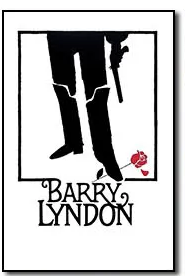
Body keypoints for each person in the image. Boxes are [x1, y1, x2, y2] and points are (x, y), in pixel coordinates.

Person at [46, 31, 130, 181]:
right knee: (63, 87)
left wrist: (115, 40)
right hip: (57, 32)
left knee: (96, 92)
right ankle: (73, 142)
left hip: (91, 32)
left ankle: (104, 152)